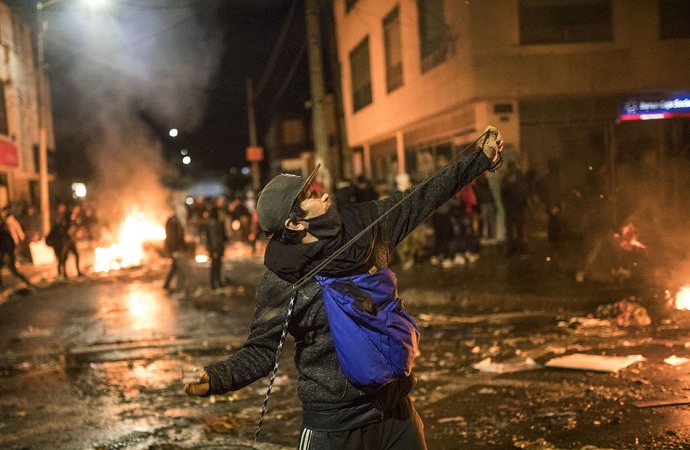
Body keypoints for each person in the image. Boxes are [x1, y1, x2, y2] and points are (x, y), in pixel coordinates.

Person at [183, 126, 504, 449]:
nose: (322, 194)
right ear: (294, 224)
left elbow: (422, 197)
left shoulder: (368, 228)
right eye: (309, 197)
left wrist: (478, 158)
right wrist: (214, 378)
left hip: (396, 414)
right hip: (333, 427)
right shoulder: (281, 279)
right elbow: (261, 351)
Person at [0, 217, 34, 290]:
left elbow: (5, 245)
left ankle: (1, 286)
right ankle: (27, 282)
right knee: (5, 270)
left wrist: (5, 254)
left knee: (9, 270)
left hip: (5, 255)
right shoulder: (3, 234)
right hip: (6, 255)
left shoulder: (0, 235)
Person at [162, 205, 191, 295]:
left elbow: (180, 237)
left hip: (177, 249)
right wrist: (174, 250)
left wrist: (184, 247)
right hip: (175, 249)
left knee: (175, 267)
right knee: (181, 268)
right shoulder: (173, 222)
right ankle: (180, 287)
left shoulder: (176, 221)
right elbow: (172, 237)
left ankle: (169, 285)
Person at [203, 204, 228, 290]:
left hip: (217, 248)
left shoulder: (216, 222)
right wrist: (214, 250)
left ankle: (217, 282)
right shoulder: (213, 224)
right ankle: (214, 283)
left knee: (217, 266)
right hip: (216, 248)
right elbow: (214, 238)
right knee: (215, 266)